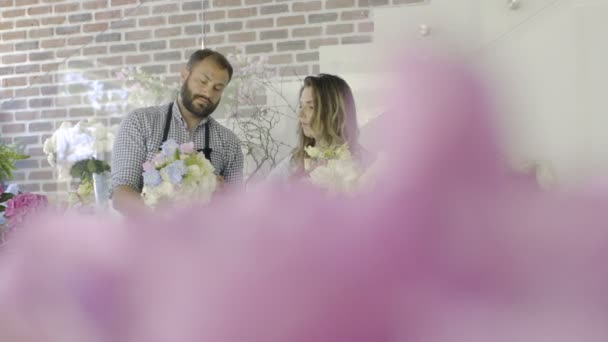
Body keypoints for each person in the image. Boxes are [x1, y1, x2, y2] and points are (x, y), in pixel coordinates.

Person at [111, 49, 244, 215]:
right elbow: (121, 195)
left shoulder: (228, 142)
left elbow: (237, 210)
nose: (208, 93)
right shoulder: (140, 122)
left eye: (217, 88)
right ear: (184, 75)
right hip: (145, 237)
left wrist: (221, 196)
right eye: (203, 81)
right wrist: (165, 218)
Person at [268, 73, 363, 183]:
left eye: (311, 107)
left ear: (334, 112)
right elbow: (260, 195)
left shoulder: (366, 165)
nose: (300, 115)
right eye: (301, 106)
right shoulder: (293, 163)